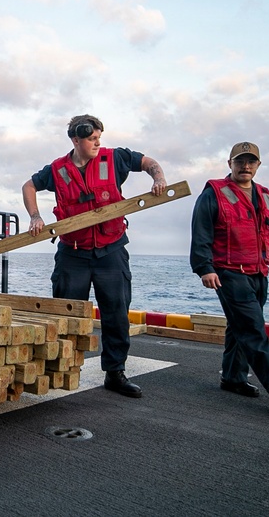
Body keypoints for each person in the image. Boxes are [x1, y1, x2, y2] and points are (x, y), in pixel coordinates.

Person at [22, 114, 167, 399]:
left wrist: (159, 178)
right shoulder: (57, 169)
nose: (97, 144)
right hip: (72, 254)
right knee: (65, 314)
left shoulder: (116, 158)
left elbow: (149, 163)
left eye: (99, 138)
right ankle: (60, 370)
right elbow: (28, 186)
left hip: (110, 250)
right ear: (76, 140)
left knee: (116, 314)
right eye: (92, 140)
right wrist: (35, 217)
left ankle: (115, 372)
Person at [190, 141, 269, 414]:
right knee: (253, 330)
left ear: (258, 165)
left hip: (259, 273)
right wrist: (205, 268)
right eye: (239, 161)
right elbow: (201, 233)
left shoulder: (267, 197)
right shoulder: (215, 194)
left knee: (240, 328)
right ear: (230, 164)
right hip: (228, 273)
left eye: (251, 162)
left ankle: (233, 378)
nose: (245, 166)